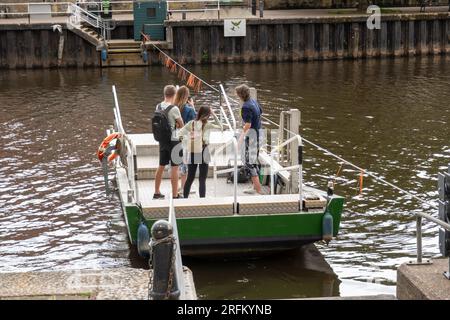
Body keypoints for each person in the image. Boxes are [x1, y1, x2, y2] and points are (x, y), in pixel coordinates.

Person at [179, 106, 223, 198]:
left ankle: (185, 198)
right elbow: (221, 127)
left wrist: (186, 142)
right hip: (204, 151)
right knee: (202, 179)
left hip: (194, 150)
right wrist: (214, 114)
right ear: (208, 115)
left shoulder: (191, 123)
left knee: (190, 178)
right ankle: (202, 200)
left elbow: (180, 133)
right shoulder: (208, 124)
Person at [153, 85, 184, 199]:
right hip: (174, 141)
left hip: (162, 140)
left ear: (164, 94)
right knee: (175, 168)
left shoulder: (158, 106)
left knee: (161, 165)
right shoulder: (174, 108)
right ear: (174, 95)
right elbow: (181, 124)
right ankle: (175, 195)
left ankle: (156, 192)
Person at [236, 84, 263, 195]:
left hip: (252, 137)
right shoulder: (254, 101)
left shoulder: (246, 106)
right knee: (253, 159)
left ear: (240, 95)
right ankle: (255, 187)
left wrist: (240, 139)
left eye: (237, 94)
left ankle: (258, 190)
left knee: (249, 163)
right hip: (258, 133)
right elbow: (260, 112)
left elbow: (248, 124)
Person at [173, 86, 197, 193]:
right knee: (185, 165)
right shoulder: (189, 110)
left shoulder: (174, 107)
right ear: (187, 97)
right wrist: (193, 107)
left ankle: (178, 187)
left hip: (175, 138)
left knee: (177, 164)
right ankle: (183, 188)